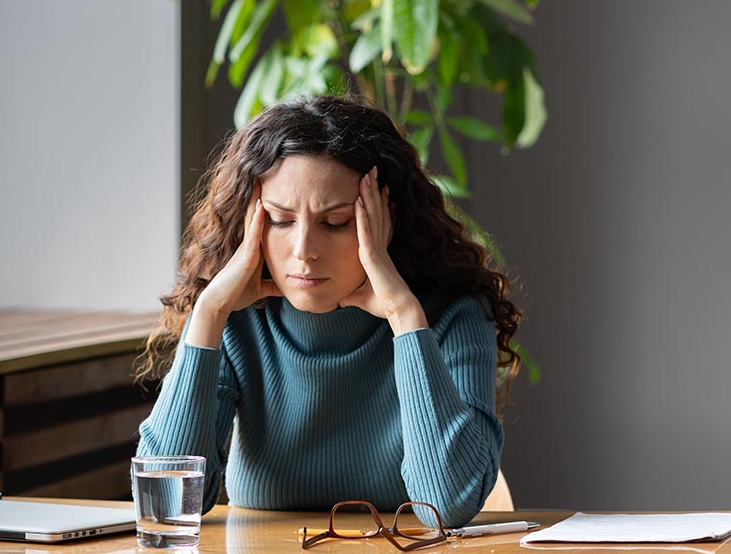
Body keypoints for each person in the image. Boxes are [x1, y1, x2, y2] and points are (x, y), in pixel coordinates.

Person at [134, 94, 521, 528]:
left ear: (385, 219)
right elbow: (166, 506)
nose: (303, 252)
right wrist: (207, 316)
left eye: (335, 222)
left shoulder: (454, 314)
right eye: (280, 220)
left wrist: (405, 317)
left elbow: (447, 505)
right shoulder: (237, 320)